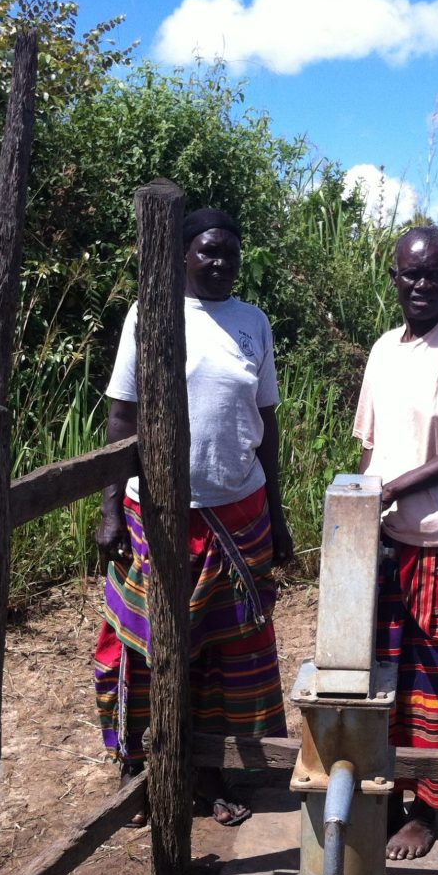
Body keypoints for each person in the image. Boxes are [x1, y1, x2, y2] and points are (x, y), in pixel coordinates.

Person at [93, 207, 292, 826]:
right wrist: (109, 509)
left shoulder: (252, 323)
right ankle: (142, 767)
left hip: (239, 511)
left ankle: (214, 771)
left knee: (226, 652)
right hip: (156, 513)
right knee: (144, 644)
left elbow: (268, 428)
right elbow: (122, 416)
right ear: (182, 254)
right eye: (208, 250)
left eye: (230, 252)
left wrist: (280, 516)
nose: (220, 262)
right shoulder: (148, 316)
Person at [353, 225, 438, 860]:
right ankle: (385, 791)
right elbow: (370, 446)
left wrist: (399, 486)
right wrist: (367, 505)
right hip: (388, 543)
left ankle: (427, 809)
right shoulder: (383, 349)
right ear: (393, 276)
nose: (421, 284)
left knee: (435, 683)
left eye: (434, 274)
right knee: (384, 677)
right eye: (411, 273)